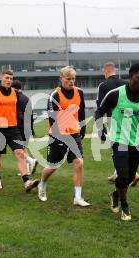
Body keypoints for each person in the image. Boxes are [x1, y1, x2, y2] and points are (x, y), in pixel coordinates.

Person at [95, 63, 139, 221]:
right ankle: (125, 205)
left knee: (129, 178)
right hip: (118, 139)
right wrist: (101, 129)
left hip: (135, 142)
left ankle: (114, 194)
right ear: (131, 77)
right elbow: (99, 111)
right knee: (122, 176)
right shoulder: (116, 94)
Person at [37, 66, 90, 207]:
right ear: (61, 79)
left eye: (73, 79)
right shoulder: (55, 95)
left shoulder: (79, 92)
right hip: (57, 135)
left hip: (73, 134)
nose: (71, 81)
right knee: (53, 166)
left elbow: (82, 110)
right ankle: (42, 185)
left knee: (79, 163)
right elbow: (51, 118)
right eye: (68, 79)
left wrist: (83, 126)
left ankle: (77, 197)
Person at [0, 69, 39, 191]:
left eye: (11, 79)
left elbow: (23, 107)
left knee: (20, 154)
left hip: (13, 128)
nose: (9, 80)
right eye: (6, 78)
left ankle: (27, 182)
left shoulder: (15, 93)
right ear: (1, 78)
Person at [96, 61, 139, 186]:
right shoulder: (125, 83)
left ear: (105, 71)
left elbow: (100, 106)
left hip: (114, 120)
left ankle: (134, 174)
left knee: (117, 149)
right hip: (129, 120)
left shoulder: (103, 85)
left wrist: (101, 126)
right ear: (114, 70)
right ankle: (117, 173)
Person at [11, 80, 38, 175]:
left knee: (17, 150)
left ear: (13, 87)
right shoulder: (27, 98)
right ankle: (26, 170)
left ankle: (30, 163)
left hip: (18, 127)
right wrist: (31, 129)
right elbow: (30, 115)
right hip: (27, 127)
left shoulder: (15, 98)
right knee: (23, 148)